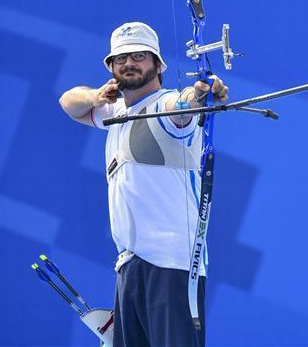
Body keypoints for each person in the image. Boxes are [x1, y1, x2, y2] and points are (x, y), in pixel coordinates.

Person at [59, 22, 229, 347]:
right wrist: (96, 96)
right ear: (111, 67)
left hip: (172, 264)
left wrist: (202, 92)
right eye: (121, 58)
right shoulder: (115, 111)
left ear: (156, 63)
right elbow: (69, 102)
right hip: (130, 265)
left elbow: (184, 106)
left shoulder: (166, 107)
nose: (129, 63)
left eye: (139, 55)